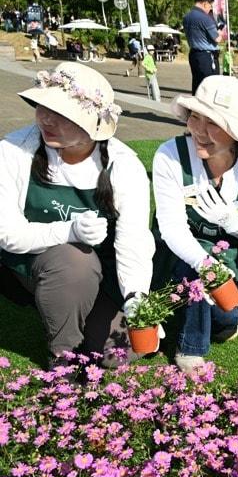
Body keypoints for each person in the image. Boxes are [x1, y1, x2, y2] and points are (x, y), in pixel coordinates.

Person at [0, 63, 154, 367]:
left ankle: (67, 306)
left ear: (92, 123)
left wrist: (136, 297)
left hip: (98, 275)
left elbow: (133, 240)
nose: (45, 119)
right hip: (25, 266)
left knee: (117, 353)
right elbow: (6, 232)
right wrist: (69, 231)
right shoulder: (14, 150)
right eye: (42, 107)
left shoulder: (124, 165)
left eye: (60, 113)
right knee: (74, 261)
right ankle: (63, 356)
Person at [151, 76, 238, 374]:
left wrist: (233, 222)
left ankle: (211, 319)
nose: (199, 131)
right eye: (195, 117)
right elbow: (171, 228)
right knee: (197, 273)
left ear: (236, 132)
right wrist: (207, 266)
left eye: (213, 123)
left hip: (234, 259)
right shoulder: (170, 154)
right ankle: (190, 350)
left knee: (227, 319)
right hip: (178, 257)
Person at [183, 0, 221, 94]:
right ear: (205, 3)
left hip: (194, 54)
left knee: (197, 85)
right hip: (207, 57)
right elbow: (217, 39)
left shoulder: (186, 17)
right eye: (210, 6)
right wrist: (220, 32)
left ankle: (195, 109)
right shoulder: (205, 18)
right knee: (210, 87)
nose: (210, 9)